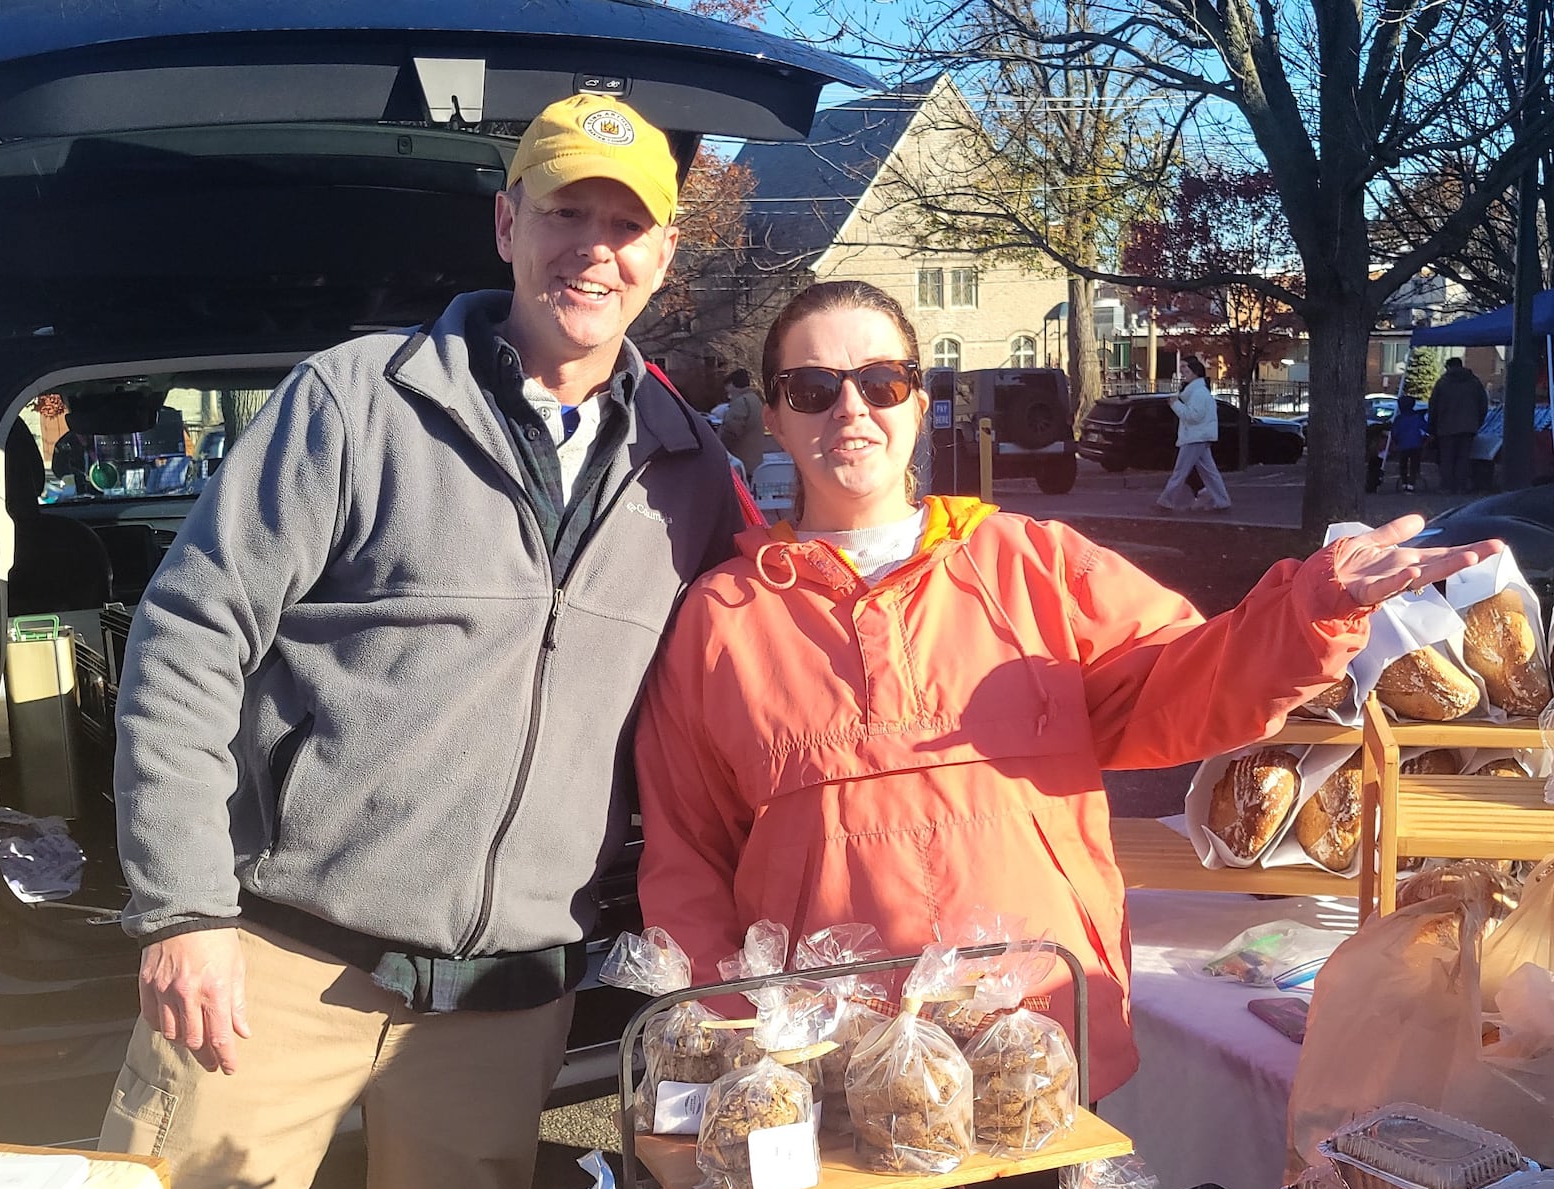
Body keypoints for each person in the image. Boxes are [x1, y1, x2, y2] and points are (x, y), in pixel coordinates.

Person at [98, 94, 744, 1189]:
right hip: (275, 966)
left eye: (626, 223)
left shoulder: (690, 472)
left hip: (504, 1005)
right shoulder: (356, 403)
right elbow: (187, 639)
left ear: (661, 257)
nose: (592, 246)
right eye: (565, 212)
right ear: (507, 224)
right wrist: (182, 910)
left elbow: (759, 668)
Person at [632, 280, 1497, 1100]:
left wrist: (1310, 610)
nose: (851, 408)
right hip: (824, 1050)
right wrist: (734, 1036)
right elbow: (688, 857)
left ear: (920, 400)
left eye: (882, 380)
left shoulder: (1032, 564)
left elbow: (1189, 681)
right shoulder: (723, 618)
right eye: (814, 386)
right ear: (776, 415)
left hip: (1038, 1024)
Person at [1157, 354, 1231, 513]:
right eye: (1181, 367)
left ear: (1195, 371)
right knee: (1210, 473)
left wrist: (1175, 404)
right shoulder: (1199, 391)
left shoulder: (1197, 393)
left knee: (1180, 471)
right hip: (1200, 436)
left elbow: (1193, 417)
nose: (1182, 370)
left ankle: (1166, 501)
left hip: (1194, 437)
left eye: (1185, 367)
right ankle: (1222, 501)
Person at [1429, 356, 1489, 493]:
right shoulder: (1474, 382)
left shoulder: (1442, 383)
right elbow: (1483, 404)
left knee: (1447, 459)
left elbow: (1433, 406)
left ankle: (1447, 487)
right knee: (1463, 458)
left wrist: (1432, 427)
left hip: (1445, 427)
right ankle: (1461, 486)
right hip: (1468, 426)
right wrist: (1476, 422)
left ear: (1448, 367)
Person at [717, 367, 767, 478]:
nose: (727, 390)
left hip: (741, 465)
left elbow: (731, 431)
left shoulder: (741, 403)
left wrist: (719, 447)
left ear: (732, 384)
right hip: (755, 462)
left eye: (727, 386)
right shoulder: (755, 400)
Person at [1391, 394, 1428, 493]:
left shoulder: (1399, 419)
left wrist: (1395, 440)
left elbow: (1394, 432)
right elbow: (1426, 427)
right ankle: (1411, 484)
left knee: (1403, 464)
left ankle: (1404, 483)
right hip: (1416, 445)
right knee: (1414, 465)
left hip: (1403, 445)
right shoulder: (1417, 417)